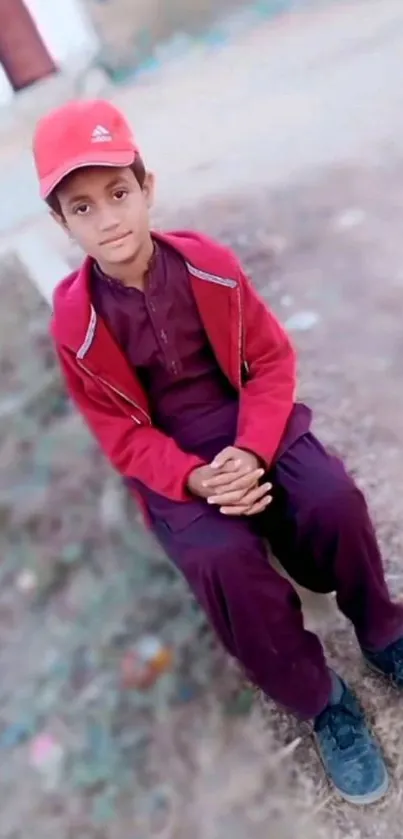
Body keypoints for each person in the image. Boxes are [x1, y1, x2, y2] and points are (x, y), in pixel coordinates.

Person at [33, 98, 403, 805]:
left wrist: (252, 448)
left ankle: (382, 629)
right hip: (176, 458)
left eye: (117, 192)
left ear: (147, 187)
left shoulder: (208, 266)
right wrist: (196, 477)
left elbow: (269, 361)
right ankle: (321, 699)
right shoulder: (75, 325)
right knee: (218, 560)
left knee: (331, 498)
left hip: (252, 423)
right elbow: (122, 434)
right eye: (82, 208)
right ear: (61, 224)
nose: (108, 219)